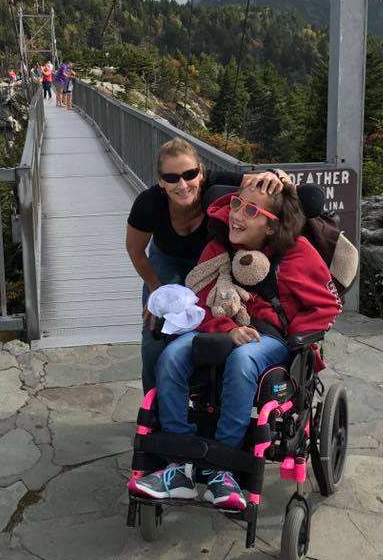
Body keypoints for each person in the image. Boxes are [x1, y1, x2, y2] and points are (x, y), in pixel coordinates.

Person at [130, 182, 342, 509]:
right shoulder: (218, 249)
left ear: (272, 224)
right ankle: (179, 464)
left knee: (242, 361)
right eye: (236, 205)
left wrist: (294, 336)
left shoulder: (298, 253)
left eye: (250, 210)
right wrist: (228, 328)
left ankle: (222, 468)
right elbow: (199, 304)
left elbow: (327, 305)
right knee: (171, 356)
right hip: (219, 329)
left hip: (271, 338)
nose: (237, 215)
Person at [126, 139, 290, 393]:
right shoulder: (148, 204)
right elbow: (135, 251)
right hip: (166, 259)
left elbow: (260, 182)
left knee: (211, 319)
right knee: (156, 333)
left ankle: (203, 396)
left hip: (210, 260)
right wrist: (157, 291)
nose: (182, 184)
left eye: (189, 174)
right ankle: (154, 410)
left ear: (201, 172)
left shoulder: (217, 185)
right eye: (172, 178)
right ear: (160, 181)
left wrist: (276, 175)